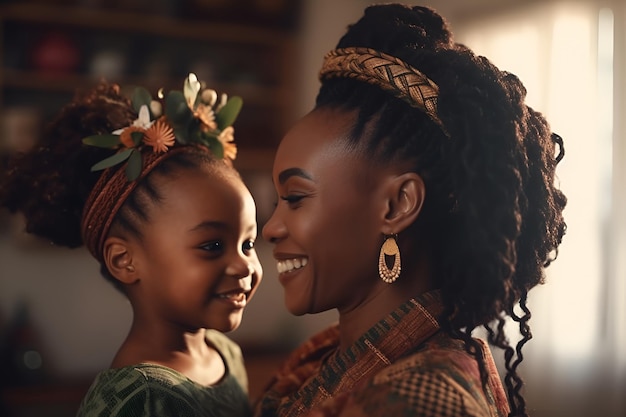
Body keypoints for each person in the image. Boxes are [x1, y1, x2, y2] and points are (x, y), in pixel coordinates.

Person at [256, 4, 566, 417]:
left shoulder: (420, 401)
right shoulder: (325, 357)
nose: (271, 229)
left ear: (397, 204)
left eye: (295, 197)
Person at [0, 74, 263, 416]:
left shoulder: (226, 354)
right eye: (213, 245)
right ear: (125, 260)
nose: (244, 265)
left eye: (248, 243)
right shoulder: (136, 399)